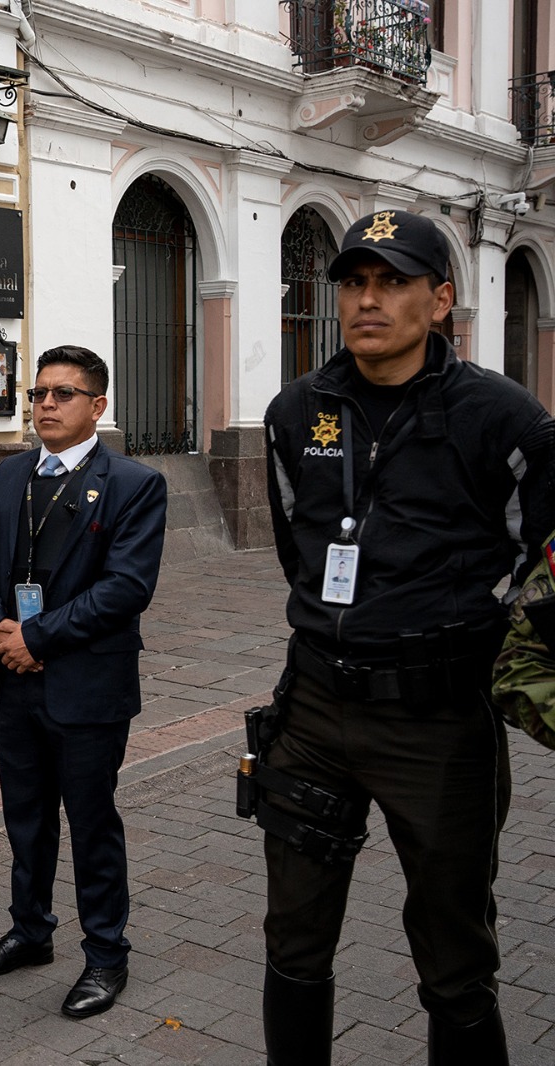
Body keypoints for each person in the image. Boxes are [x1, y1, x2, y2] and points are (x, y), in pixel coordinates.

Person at [255, 209, 554, 1064]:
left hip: (438, 721)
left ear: (442, 299)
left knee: (456, 953)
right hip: (312, 711)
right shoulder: (295, 412)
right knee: (294, 939)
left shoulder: (505, 419)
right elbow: (298, 553)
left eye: (392, 282)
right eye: (354, 282)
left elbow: (544, 566)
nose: (368, 301)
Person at [0, 344, 167, 1019]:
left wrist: (36, 637)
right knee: (25, 817)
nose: (45, 404)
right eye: (39, 393)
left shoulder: (134, 484)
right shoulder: (11, 474)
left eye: (62, 394)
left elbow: (124, 589)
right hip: (16, 678)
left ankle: (106, 956)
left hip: (86, 685)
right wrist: (2, 631)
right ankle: (30, 931)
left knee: (91, 822)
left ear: (97, 406)